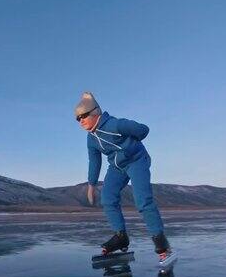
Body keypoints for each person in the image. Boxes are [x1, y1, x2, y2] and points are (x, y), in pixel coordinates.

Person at [75, 91, 176, 266]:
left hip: (137, 161)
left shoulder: (115, 124)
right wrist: (91, 185)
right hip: (117, 167)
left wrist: (132, 145)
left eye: (83, 116)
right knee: (107, 198)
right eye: (77, 118)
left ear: (95, 112)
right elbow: (94, 160)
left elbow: (143, 129)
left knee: (143, 200)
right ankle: (121, 237)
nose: (80, 120)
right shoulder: (90, 138)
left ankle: (163, 246)